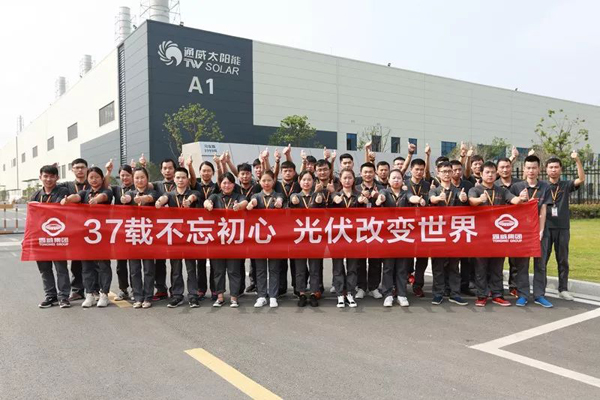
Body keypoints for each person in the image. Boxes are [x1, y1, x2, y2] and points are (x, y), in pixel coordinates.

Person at [468, 161, 525, 307]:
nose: (490, 175)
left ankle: (497, 295)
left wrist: (521, 198)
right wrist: (479, 200)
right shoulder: (475, 189)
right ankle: (481, 296)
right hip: (480, 235)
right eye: (487, 172)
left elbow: (514, 200)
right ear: (481, 174)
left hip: (498, 235)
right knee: (480, 267)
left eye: (493, 172)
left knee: (497, 267)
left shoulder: (501, 191)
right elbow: (471, 201)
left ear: (496, 174)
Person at [61, 166, 114, 308]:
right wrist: (68, 199)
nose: (94, 180)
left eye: (97, 177)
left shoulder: (107, 191)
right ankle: (89, 294)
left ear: (101, 178)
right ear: (88, 179)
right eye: (91, 177)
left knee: (103, 265)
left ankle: (104, 294)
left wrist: (96, 200)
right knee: (86, 266)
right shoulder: (85, 192)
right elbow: (76, 197)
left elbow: (103, 197)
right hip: (86, 236)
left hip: (103, 236)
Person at [155, 167, 202, 308]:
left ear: (187, 179)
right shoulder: (169, 194)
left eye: (183, 177)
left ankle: (193, 296)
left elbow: (193, 198)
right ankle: (177, 295)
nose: (180, 180)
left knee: (191, 268)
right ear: (174, 180)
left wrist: (188, 202)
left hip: (189, 237)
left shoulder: (194, 193)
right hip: (174, 236)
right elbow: (163, 199)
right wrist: (159, 202)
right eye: (178, 177)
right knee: (175, 268)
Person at [510, 155, 552, 307]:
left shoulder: (545, 187)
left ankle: (539, 295)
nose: (531, 171)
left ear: (539, 169)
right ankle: (523, 294)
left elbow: (543, 210)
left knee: (540, 264)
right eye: (528, 168)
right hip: (523, 232)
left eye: (534, 168)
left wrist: (540, 231)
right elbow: (512, 210)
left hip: (540, 232)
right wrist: (520, 199)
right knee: (522, 264)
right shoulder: (516, 187)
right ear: (524, 169)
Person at [543, 151, 585, 301]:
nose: (553, 170)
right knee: (542, 260)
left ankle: (563, 289)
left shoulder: (566, 185)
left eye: (556, 167)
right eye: (551, 167)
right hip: (546, 228)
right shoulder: (542, 186)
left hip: (562, 227)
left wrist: (577, 160)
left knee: (563, 260)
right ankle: (541, 288)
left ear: (560, 169)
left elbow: (581, 179)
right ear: (546, 170)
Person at [204, 172, 248, 307]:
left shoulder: (238, 196)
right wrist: (208, 204)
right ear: (220, 184)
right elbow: (207, 201)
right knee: (218, 270)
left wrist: (239, 206)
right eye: (224, 183)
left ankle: (234, 297)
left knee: (234, 270)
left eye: (229, 183)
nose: (227, 185)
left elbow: (245, 202)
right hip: (218, 240)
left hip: (234, 240)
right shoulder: (215, 196)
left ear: (233, 185)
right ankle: (220, 297)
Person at [428, 162, 469, 306]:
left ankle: (455, 294)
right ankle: (438, 293)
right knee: (438, 265)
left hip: (453, 233)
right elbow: (431, 199)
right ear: (438, 173)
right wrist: (438, 199)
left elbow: (464, 201)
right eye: (443, 171)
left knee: (454, 265)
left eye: (448, 171)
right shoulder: (434, 190)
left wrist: (464, 198)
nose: (446, 174)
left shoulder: (458, 191)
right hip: (438, 233)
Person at [31, 165, 72, 308]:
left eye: (52, 176)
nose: (48, 179)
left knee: (61, 268)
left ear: (57, 178)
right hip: (40, 237)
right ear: (40, 177)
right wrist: (28, 238)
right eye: (46, 176)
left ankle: (63, 297)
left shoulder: (62, 192)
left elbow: (57, 209)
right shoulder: (36, 195)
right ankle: (50, 296)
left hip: (57, 236)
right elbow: (32, 218)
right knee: (44, 269)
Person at [330, 168, 369, 308]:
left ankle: (350, 293)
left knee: (352, 267)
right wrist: (333, 199)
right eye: (344, 178)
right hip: (338, 236)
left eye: (350, 178)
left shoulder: (359, 195)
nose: (347, 180)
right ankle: (340, 294)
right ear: (340, 180)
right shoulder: (334, 195)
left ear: (354, 180)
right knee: (338, 267)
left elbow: (366, 216)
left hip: (353, 236)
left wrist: (364, 202)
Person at [120, 167, 158, 309]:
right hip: (133, 235)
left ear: (147, 179)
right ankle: (137, 297)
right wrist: (126, 199)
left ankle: (148, 297)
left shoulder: (153, 192)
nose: (139, 180)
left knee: (148, 269)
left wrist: (141, 198)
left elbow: (150, 198)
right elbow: (127, 198)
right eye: (137, 178)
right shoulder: (129, 193)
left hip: (148, 236)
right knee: (134, 269)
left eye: (142, 177)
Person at [247, 170, 285, 308]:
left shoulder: (278, 195)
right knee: (260, 269)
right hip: (260, 239)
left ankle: (273, 296)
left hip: (274, 238)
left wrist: (279, 203)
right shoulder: (256, 196)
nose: (266, 183)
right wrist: (251, 204)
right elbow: (252, 203)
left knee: (274, 268)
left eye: (269, 180)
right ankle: (261, 296)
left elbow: (280, 201)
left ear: (273, 181)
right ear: (259, 182)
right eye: (264, 180)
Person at [375, 168, 410, 307]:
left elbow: (411, 198)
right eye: (393, 178)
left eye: (399, 178)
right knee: (388, 267)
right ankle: (388, 294)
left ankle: (402, 294)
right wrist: (380, 199)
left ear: (402, 181)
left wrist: (418, 199)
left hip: (403, 235)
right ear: (389, 180)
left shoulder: (406, 193)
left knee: (402, 267)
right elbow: (380, 199)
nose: (396, 180)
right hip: (388, 235)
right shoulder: (384, 192)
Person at [289, 170, 324, 307]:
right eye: (304, 179)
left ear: (313, 182)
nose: (306, 182)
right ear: (299, 181)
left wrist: (320, 202)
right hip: (299, 238)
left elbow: (325, 212)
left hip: (315, 238)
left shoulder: (318, 196)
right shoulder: (295, 196)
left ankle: (314, 292)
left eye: (309, 180)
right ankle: (302, 293)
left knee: (315, 268)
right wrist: (293, 201)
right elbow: (289, 209)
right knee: (300, 268)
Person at [57, 158, 90, 301]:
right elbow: (51, 184)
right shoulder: (66, 186)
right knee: (76, 260)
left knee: (93, 261)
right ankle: (77, 290)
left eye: (82, 167)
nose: (80, 170)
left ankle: (94, 289)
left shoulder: (93, 183)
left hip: (92, 228)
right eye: (77, 167)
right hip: (73, 228)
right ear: (72, 170)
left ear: (87, 169)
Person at [148, 158, 178, 301]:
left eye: (170, 168)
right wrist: (141, 166)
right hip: (160, 228)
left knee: (175, 262)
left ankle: (175, 290)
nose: (167, 171)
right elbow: (141, 182)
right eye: (165, 168)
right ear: (161, 170)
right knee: (159, 261)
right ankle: (161, 289)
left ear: (174, 169)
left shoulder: (180, 182)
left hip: (177, 228)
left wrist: (187, 166)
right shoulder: (156, 185)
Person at [105, 161, 135, 301]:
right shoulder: (116, 189)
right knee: (120, 264)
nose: (125, 178)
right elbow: (104, 186)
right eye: (122, 175)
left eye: (128, 175)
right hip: (120, 231)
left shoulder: (137, 188)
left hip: (135, 229)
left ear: (132, 175)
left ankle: (135, 289)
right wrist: (108, 172)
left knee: (134, 263)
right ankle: (123, 289)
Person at [355, 162, 384, 300]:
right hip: (360, 229)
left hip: (376, 228)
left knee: (375, 260)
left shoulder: (382, 188)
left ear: (374, 173)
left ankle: (373, 287)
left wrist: (377, 198)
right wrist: (359, 200)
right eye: (365, 172)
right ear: (361, 173)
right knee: (360, 260)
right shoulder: (355, 189)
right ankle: (361, 287)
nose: (368, 174)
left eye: (370, 172)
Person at [495, 157, 523, 298]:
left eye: (507, 166)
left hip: (515, 226)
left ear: (511, 167)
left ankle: (514, 286)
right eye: (502, 167)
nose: (505, 170)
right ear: (497, 170)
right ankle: (496, 288)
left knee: (515, 259)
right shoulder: (493, 184)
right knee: (496, 261)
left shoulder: (520, 184)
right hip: (496, 227)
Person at [191, 161, 219, 301]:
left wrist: (220, 163)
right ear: (200, 172)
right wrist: (189, 165)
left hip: (214, 226)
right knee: (200, 261)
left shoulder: (216, 187)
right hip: (199, 226)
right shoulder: (195, 186)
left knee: (214, 261)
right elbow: (190, 177)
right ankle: (201, 289)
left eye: (209, 170)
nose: (206, 173)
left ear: (213, 173)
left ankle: (215, 289)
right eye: (203, 170)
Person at [404, 158, 431, 297]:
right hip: (407, 225)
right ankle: (401, 284)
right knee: (405, 255)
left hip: (424, 225)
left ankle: (418, 285)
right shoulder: (404, 184)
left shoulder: (428, 185)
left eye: (421, 170)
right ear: (411, 170)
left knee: (422, 257)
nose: (419, 172)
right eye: (416, 169)